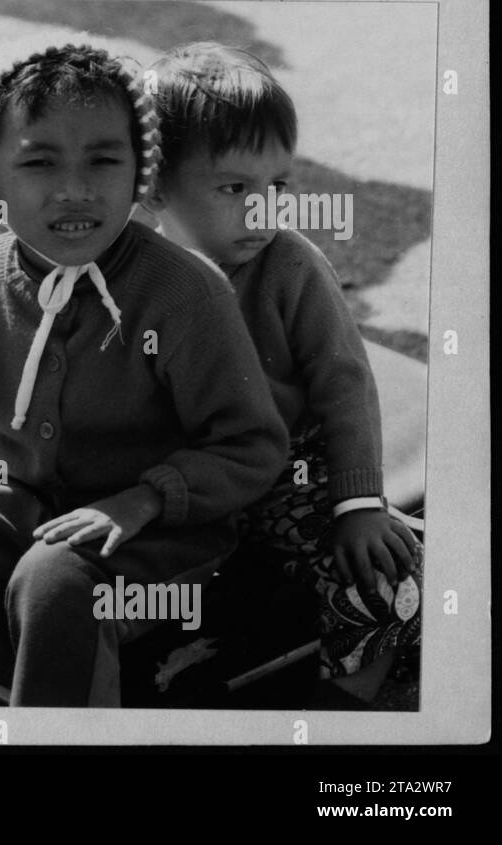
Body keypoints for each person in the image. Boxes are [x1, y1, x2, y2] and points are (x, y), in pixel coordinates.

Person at [0, 35, 288, 706]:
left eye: (104, 159)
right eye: (39, 162)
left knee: (57, 581)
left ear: (140, 172)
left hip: (164, 538)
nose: (75, 190)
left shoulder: (186, 293)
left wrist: (146, 498)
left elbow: (253, 445)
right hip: (23, 506)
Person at [145, 42, 423, 705]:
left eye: (277, 187)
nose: (264, 211)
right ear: (153, 186)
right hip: (188, 480)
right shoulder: (132, 271)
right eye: (234, 188)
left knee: (386, 578)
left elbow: (345, 384)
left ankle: (348, 697)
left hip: (290, 469)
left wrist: (358, 503)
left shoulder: (291, 266)